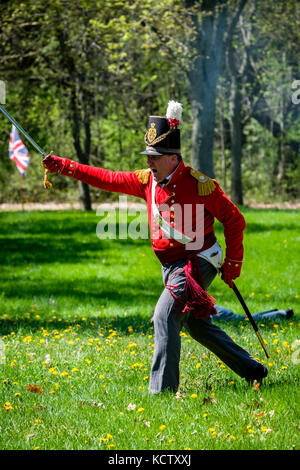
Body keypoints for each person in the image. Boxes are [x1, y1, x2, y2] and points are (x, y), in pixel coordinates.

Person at [42, 100, 268, 392]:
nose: (149, 161)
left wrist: (234, 264)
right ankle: (253, 370)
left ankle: (161, 394)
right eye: (148, 155)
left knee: (164, 316)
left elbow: (234, 220)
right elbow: (107, 178)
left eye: (155, 156)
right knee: (195, 325)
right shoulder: (147, 181)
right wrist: (66, 166)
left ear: (173, 157)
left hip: (197, 261)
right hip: (171, 267)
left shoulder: (201, 185)